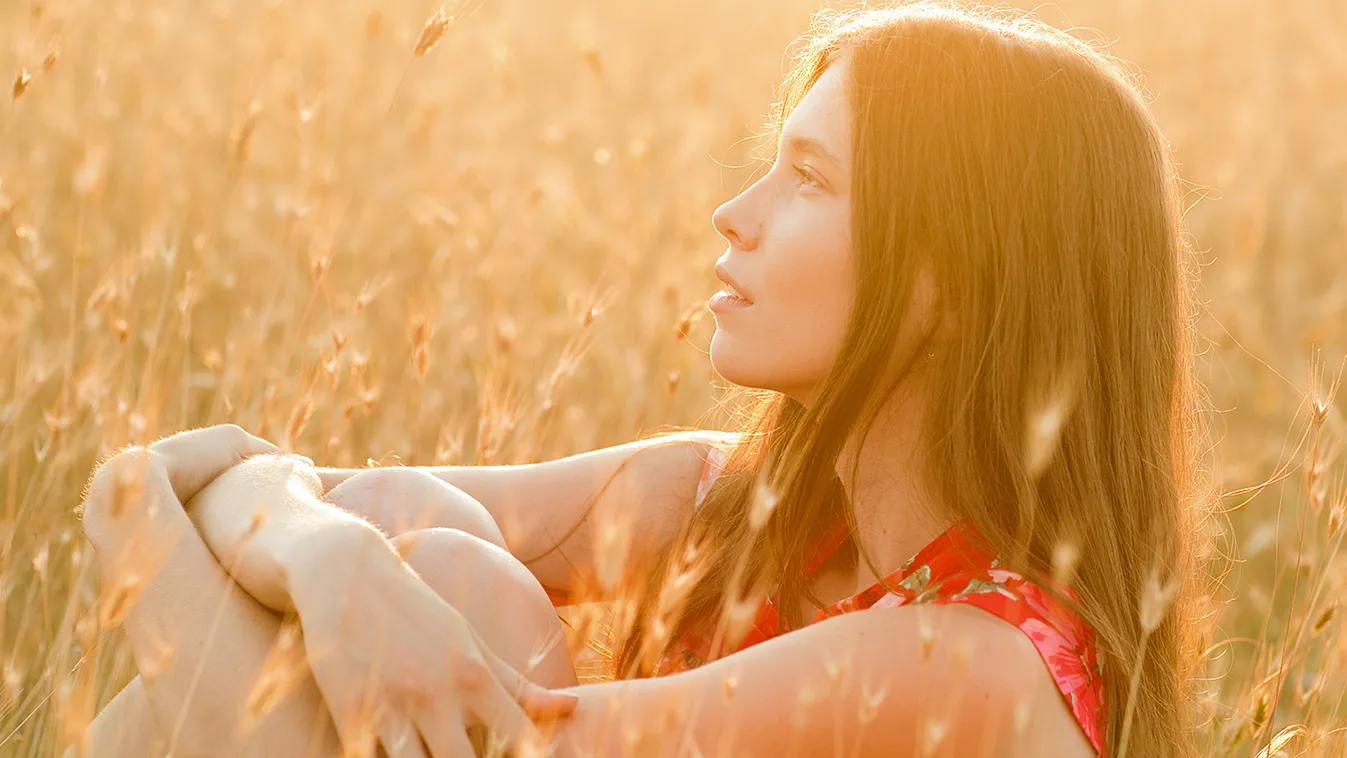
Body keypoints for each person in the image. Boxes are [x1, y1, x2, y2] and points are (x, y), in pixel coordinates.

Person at [76, 2, 1211, 756]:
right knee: (430, 550)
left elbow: (503, 737)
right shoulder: (729, 506)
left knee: (441, 598)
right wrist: (328, 558)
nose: (735, 214)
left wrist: (140, 509)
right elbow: (305, 496)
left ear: (954, 279)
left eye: (808, 178)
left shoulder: (975, 661)